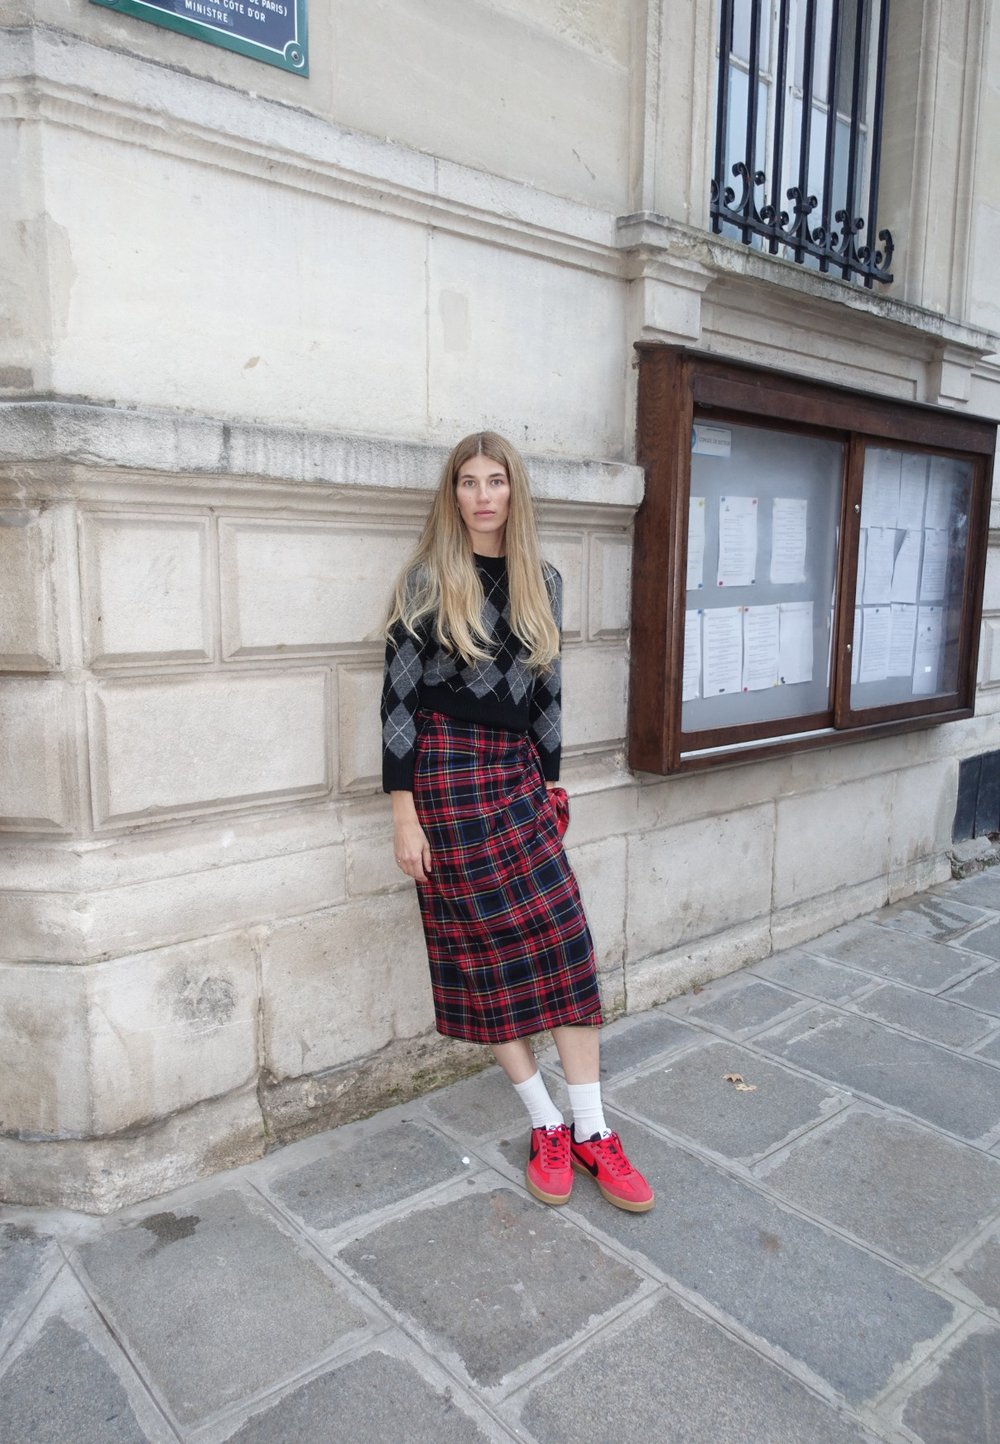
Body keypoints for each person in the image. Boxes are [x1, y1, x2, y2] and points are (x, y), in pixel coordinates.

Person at [381, 431, 653, 1213]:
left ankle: (595, 1130)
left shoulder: (544, 581)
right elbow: (397, 707)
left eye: (495, 481)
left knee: (566, 946)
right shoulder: (426, 583)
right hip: (446, 781)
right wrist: (406, 815)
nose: (482, 496)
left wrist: (552, 786)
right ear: (453, 495)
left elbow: (549, 693)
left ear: (513, 492)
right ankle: (546, 1125)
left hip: (517, 777)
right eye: (467, 483)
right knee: (485, 960)